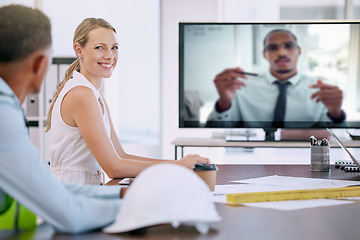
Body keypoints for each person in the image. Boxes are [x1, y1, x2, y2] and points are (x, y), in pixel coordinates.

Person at [0, 4, 128, 237]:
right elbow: (69, 213)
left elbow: (46, 187)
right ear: (41, 63)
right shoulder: (3, 114)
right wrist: (135, 206)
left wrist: (116, 195)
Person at [45, 18, 209, 185]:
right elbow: (113, 167)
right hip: (69, 197)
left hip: (82, 194)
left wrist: (177, 164)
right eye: (99, 47)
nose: (109, 56)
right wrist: (177, 166)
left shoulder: (95, 96)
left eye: (114, 48)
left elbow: (120, 156)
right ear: (78, 50)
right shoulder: (81, 94)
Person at [207, 29, 345, 128]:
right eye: (273, 48)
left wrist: (336, 114)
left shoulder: (321, 89)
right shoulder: (240, 86)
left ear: (299, 51)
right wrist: (223, 103)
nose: (281, 52)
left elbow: (332, 140)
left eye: (289, 46)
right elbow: (217, 132)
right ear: (264, 55)